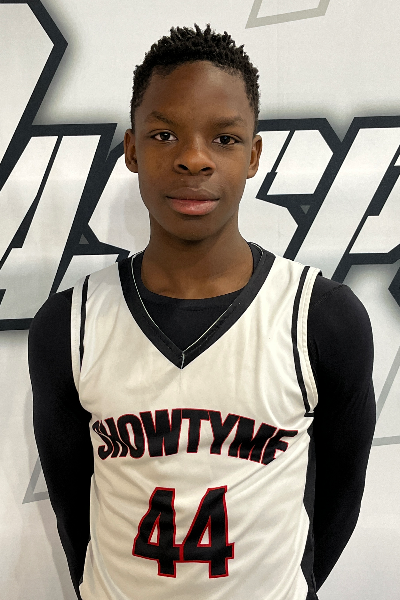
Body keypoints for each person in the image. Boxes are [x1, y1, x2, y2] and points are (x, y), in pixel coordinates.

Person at [29, 24, 375, 600]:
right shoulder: (69, 325)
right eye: (164, 135)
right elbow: (73, 508)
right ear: (132, 150)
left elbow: (339, 498)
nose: (193, 159)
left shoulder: (321, 318)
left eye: (224, 138)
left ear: (254, 155)